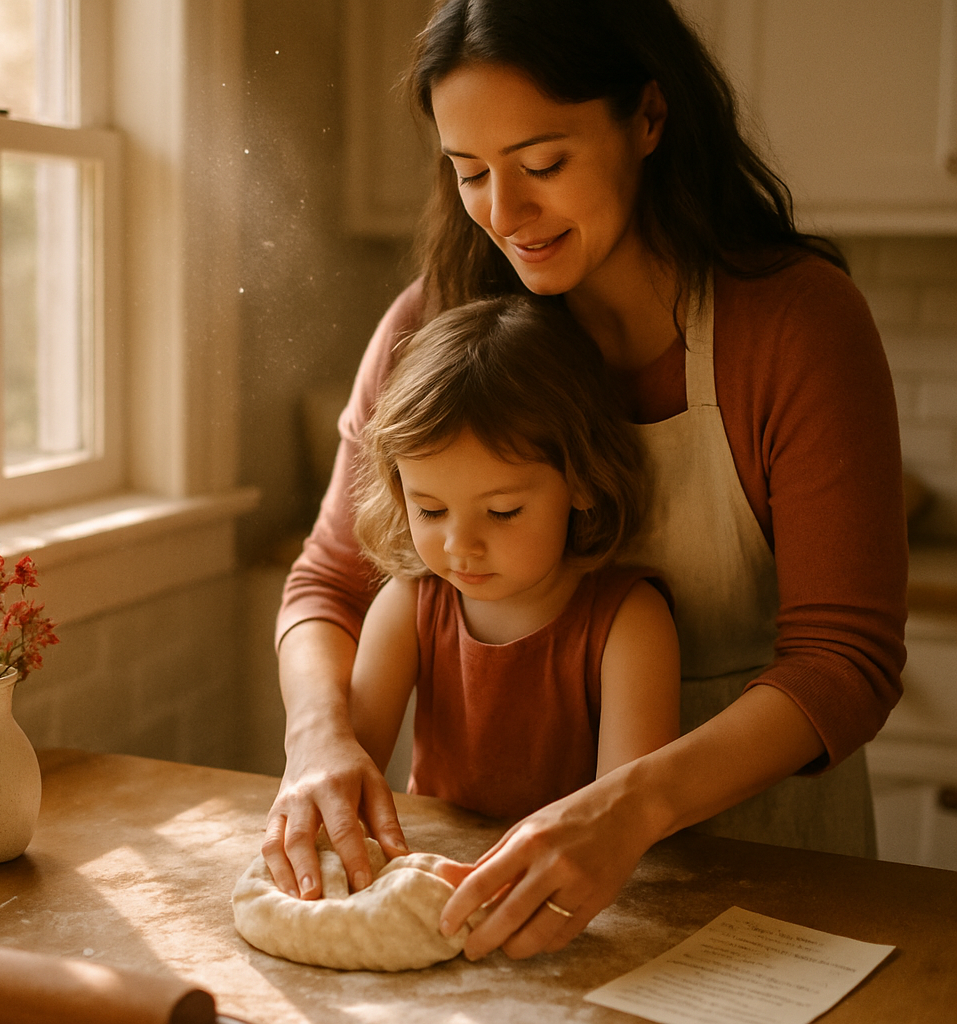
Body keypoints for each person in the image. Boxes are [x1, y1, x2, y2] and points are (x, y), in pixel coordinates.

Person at [264, 0, 907, 962]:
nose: (504, 214)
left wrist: (630, 805)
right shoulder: (431, 328)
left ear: (648, 118)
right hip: (491, 884)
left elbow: (845, 661)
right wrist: (319, 737)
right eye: (470, 172)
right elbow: (330, 581)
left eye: (544, 163)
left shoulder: (794, 325)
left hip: (772, 874)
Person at [348, 294, 679, 826]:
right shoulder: (407, 606)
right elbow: (352, 770)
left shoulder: (630, 622)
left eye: (502, 512)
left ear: (582, 482)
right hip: (440, 883)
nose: (461, 544)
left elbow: (624, 823)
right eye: (430, 510)